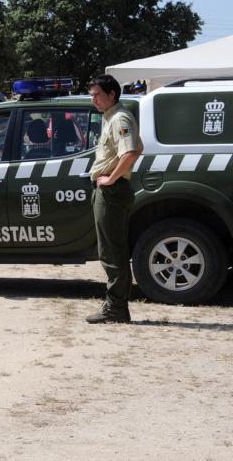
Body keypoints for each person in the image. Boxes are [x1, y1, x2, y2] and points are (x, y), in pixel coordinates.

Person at [85, 74, 143, 324]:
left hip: (112, 190)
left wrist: (110, 178)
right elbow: (137, 147)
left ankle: (116, 307)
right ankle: (116, 305)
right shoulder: (111, 117)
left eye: (98, 94)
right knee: (109, 248)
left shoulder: (120, 117)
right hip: (108, 189)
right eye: (92, 95)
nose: (94, 99)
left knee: (112, 250)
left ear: (112, 95)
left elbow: (130, 152)